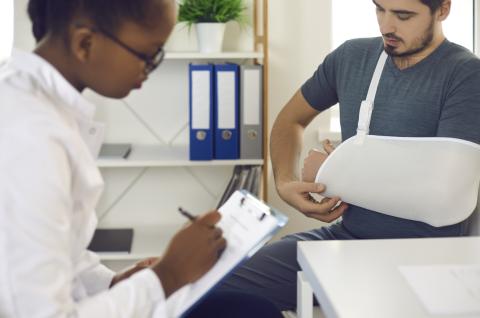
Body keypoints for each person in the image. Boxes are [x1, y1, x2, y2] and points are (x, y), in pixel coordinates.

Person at [0, 0, 282, 317]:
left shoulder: (42, 105)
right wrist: (167, 276)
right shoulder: (30, 135)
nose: (150, 69)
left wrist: (114, 283)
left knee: (251, 309)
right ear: (85, 43)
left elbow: (57, 255)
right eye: (148, 55)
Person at [212, 0, 480, 311]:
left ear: (443, 10)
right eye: (379, 9)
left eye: (403, 16)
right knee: (212, 287)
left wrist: (336, 170)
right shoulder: (351, 58)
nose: (386, 26)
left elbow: (443, 199)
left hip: (424, 257)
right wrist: (284, 182)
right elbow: (290, 121)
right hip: (345, 239)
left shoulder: (466, 76)